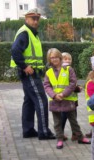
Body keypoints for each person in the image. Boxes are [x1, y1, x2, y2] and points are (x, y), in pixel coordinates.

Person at [11, 8, 55, 140]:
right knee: (41, 100)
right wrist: (24, 66)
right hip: (29, 73)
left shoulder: (31, 33)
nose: (35, 21)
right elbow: (15, 51)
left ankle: (28, 130)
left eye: (37, 19)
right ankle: (44, 132)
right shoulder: (25, 33)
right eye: (33, 18)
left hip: (31, 72)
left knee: (29, 101)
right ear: (26, 19)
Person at [43, 48, 90, 148]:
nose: (54, 59)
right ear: (49, 59)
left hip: (67, 99)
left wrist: (63, 94)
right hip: (55, 100)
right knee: (57, 122)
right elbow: (47, 85)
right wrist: (54, 95)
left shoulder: (69, 69)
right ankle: (59, 139)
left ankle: (80, 137)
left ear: (60, 57)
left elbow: (73, 83)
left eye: (56, 57)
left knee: (73, 120)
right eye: (52, 58)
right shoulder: (49, 72)